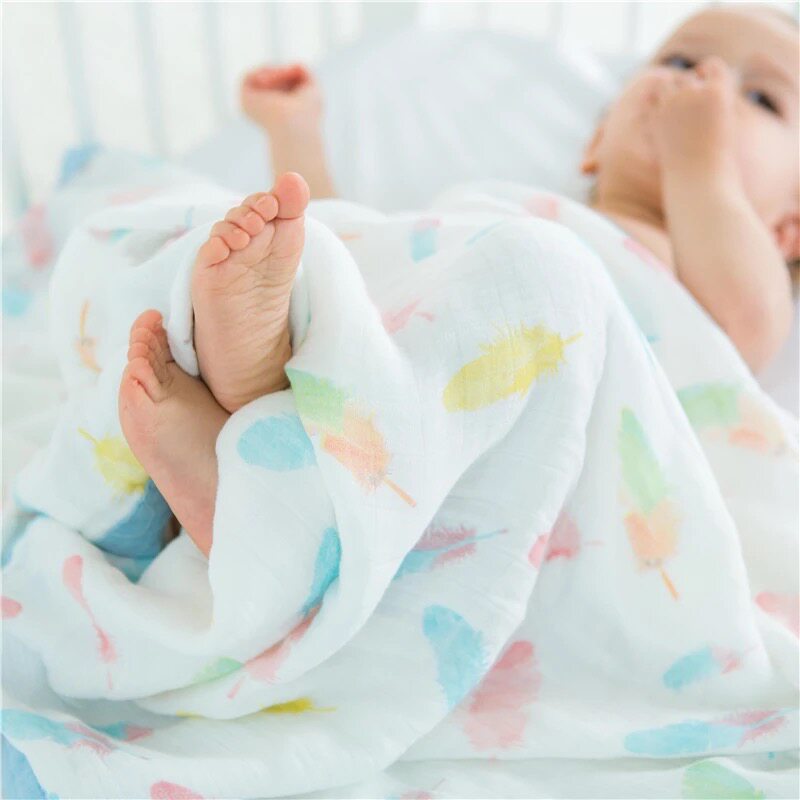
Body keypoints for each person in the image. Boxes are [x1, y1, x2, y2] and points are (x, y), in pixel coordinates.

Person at [117, 3, 799, 557]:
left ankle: (254, 466)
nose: (705, 82)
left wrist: (698, 162)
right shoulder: (503, 211)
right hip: (398, 374)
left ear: (787, 232)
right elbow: (362, 242)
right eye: (677, 62)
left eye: (762, 97)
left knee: (543, 266)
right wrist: (295, 132)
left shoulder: (714, 275)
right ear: (596, 144)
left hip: (518, 465)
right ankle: (259, 422)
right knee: (340, 263)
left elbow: (747, 316)